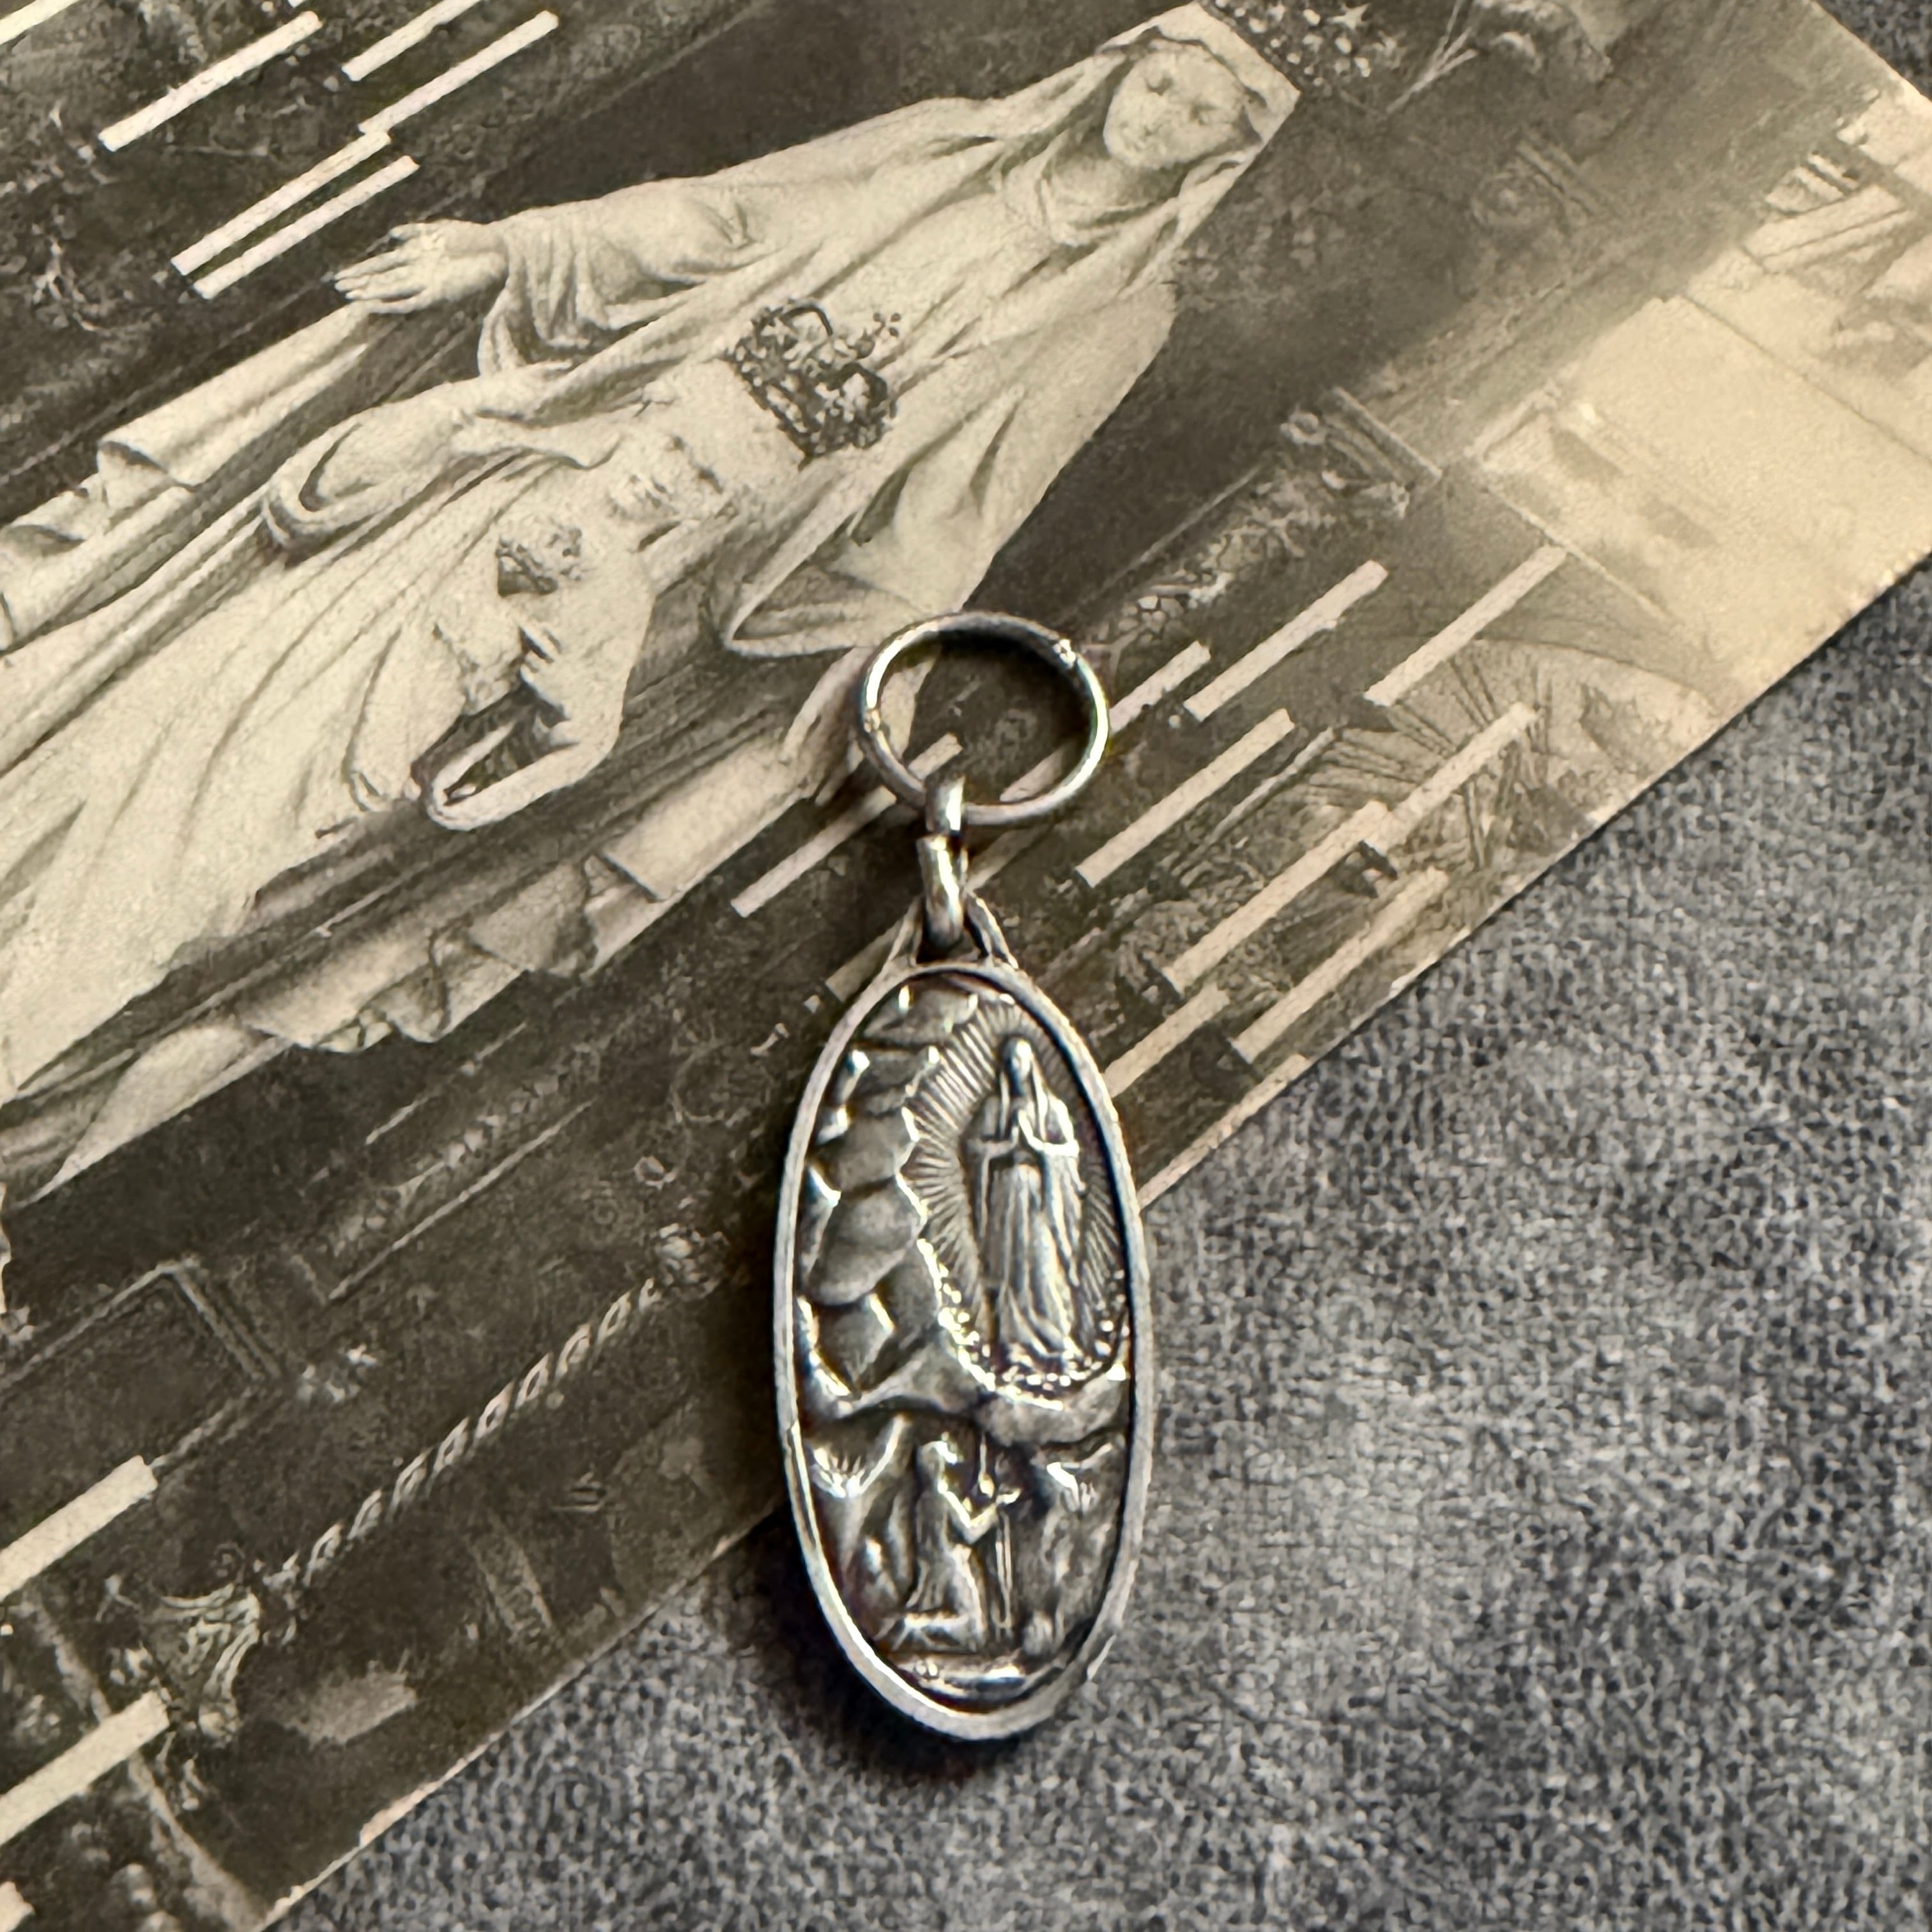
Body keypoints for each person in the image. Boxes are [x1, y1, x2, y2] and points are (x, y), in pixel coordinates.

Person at [0, 6, 1298, 1117]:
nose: (1162, 118)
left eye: (1201, 115)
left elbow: (967, 497)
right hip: (570, 437)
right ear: (1124, 63)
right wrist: (512, 251)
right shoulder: (946, 142)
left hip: (691, 563)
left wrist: (881, 644)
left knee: (277, 814)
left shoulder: (1122, 309)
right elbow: (716, 220)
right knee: (187, 691)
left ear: (1225, 154)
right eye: (1163, 81)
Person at [967, 1036, 1087, 1368]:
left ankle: (1057, 1340)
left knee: (1042, 1263)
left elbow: (1069, 1150)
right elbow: (974, 1147)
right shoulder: (995, 1108)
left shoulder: (1050, 1108)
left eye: (1019, 1060)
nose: (1014, 1067)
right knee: (1010, 1269)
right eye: (1009, 1061)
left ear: (1031, 1064)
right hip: (1006, 1192)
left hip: (1038, 1193)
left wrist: (1037, 1146)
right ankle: (1012, 1344)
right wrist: (1005, 1146)